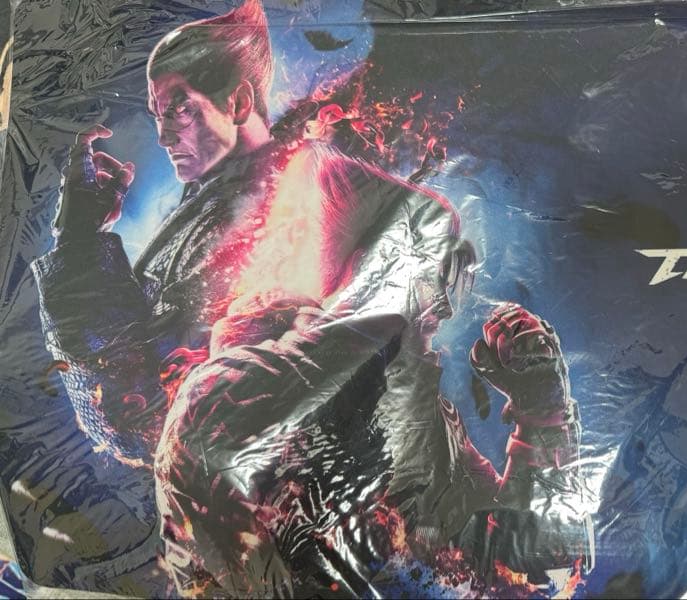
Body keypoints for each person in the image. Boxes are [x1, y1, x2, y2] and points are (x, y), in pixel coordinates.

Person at [31, 0, 591, 596]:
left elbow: (135, 413)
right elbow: (540, 570)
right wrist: (542, 412)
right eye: (160, 113)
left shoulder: (302, 187)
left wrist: (81, 245)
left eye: (180, 109)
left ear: (238, 103)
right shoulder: (215, 235)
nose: (165, 132)